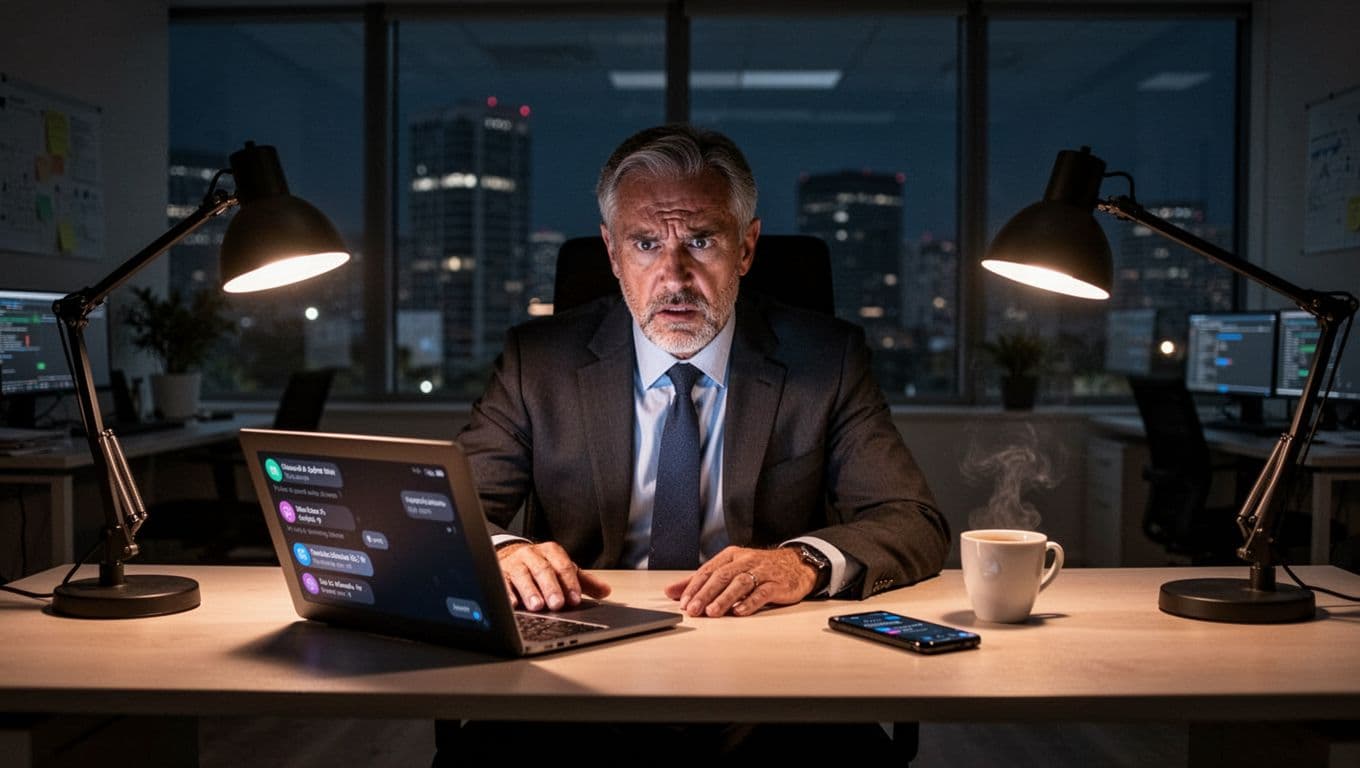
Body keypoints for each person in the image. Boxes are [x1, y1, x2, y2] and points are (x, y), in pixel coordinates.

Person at [435, 123, 949, 763]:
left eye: (701, 241)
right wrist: (506, 551)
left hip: (774, 669)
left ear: (746, 247)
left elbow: (911, 519)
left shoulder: (826, 360)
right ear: (612, 252)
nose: (673, 276)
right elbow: (446, 512)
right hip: (578, 669)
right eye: (646, 243)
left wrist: (803, 562)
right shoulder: (537, 362)